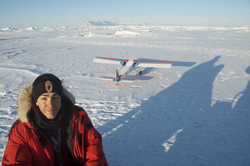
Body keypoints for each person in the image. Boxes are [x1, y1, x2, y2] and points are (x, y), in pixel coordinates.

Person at [2, 73, 108, 166]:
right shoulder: (22, 129)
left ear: (61, 98)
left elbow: (93, 148)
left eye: (55, 97)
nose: (51, 104)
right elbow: (15, 162)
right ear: (36, 102)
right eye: (44, 98)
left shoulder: (78, 116)